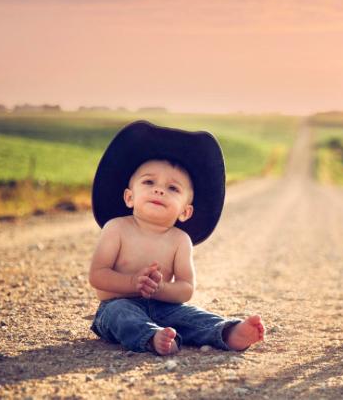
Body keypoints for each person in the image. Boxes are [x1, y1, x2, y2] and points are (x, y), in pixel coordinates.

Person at [87, 121, 264, 355]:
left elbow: (185, 289)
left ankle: (228, 332)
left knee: (191, 315)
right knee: (121, 315)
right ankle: (150, 337)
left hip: (164, 307)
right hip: (117, 303)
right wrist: (132, 284)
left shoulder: (180, 240)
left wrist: (158, 289)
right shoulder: (116, 228)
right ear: (129, 197)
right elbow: (97, 276)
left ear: (185, 211)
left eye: (173, 188)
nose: (159, 190)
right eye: (149, 182)